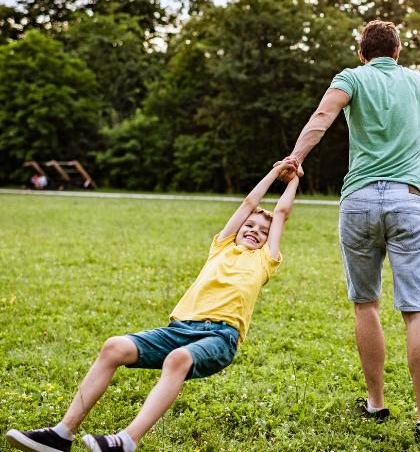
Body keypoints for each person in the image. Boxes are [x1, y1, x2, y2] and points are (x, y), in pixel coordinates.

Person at [274, 20, 420, 434]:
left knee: (365, 303)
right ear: (398, 51)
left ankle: (376, 404)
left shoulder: (351, 78)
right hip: (408, 201)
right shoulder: (419, 83)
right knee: (417, 313)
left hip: (359, 201)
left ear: (361, 52)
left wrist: (296, 156)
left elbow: (323, 115)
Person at [5, 164, 300, 452]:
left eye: (262, 231)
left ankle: (127, 440)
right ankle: (60, 435)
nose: (254, 231)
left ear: (267, 241)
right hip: (180, 328)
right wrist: (274, 172)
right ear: (237, 229)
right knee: (113, 347)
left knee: (177, 359)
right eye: (249, 225)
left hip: (220, 337)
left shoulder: (265, 261)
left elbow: (282, 214)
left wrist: (293, 180)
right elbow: (250, 201)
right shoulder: (221, 247)